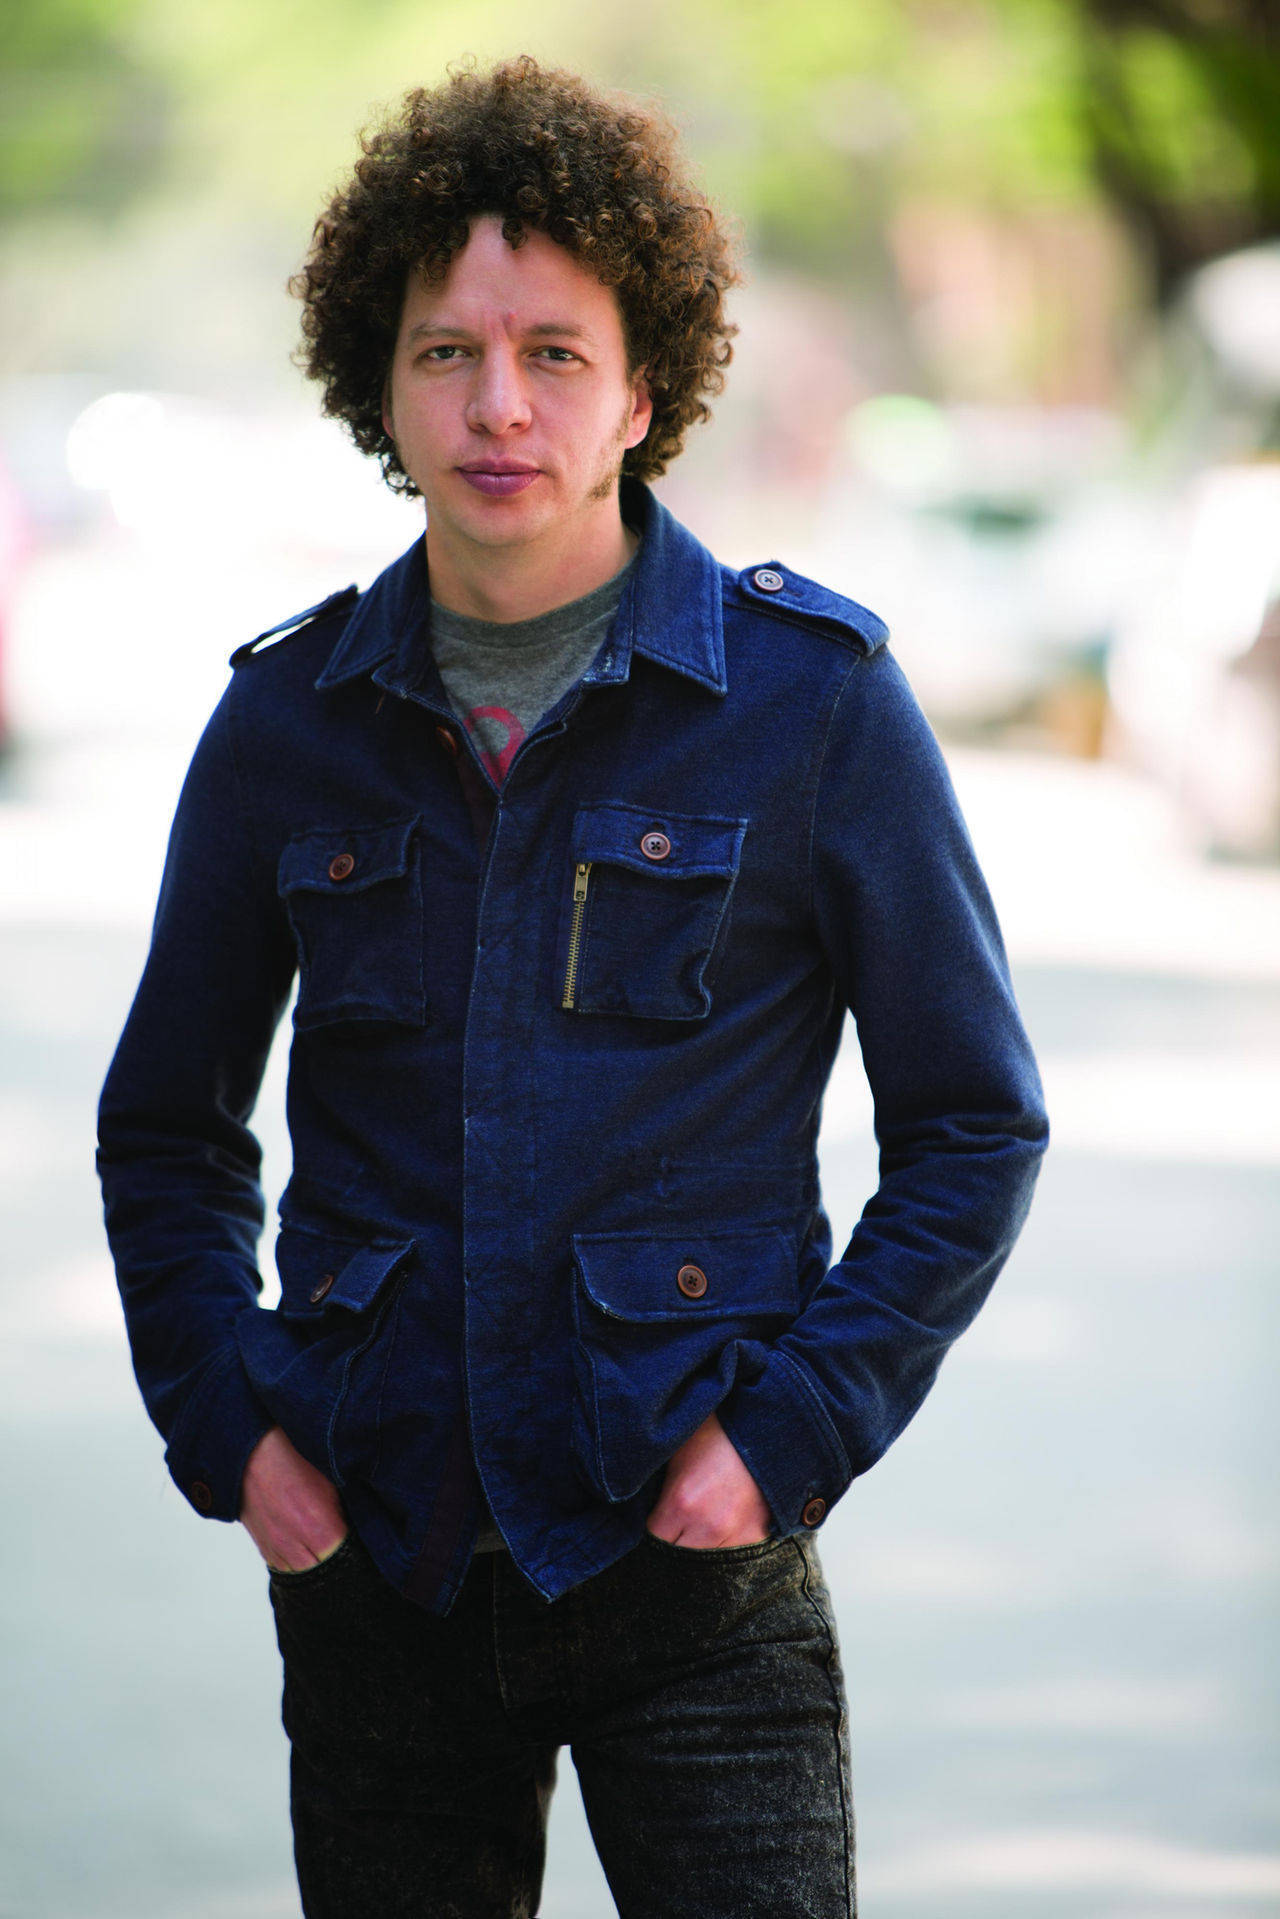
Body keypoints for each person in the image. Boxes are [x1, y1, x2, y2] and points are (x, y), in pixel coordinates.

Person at [96, 54, 1048, 1919]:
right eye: (446, 353)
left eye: (553, 352)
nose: (498, 404)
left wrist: (786, 1440)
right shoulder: (285, 725)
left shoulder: (812, 706)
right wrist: (232, 1429)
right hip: (379, 1575)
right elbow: (167, 1130)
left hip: (697, 1580)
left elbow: (974, 1125)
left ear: (641, 392)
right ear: (381, 386)